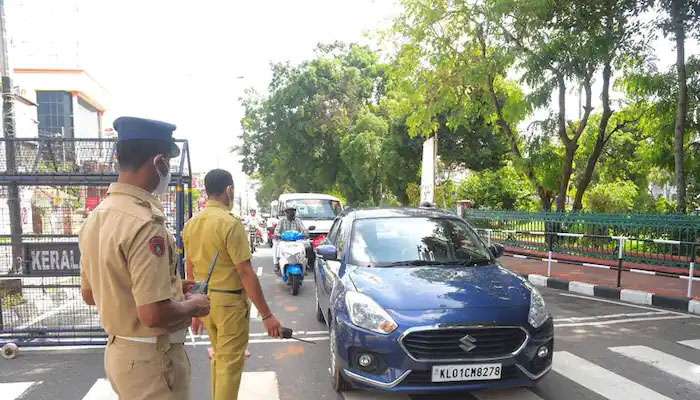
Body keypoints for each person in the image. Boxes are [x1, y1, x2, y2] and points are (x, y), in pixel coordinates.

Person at [79, 116, 210, 400]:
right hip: (153, 363)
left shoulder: (97, 217)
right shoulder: (145, 223)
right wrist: (194, 306)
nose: (168, 172)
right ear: (159, 162)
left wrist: (173, 288)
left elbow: (91, 294)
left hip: (120, 355)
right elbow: (153, 314)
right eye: (168, 165)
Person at [183, 169, 282, 400]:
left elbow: (191, 269)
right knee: (229, 366)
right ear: (229, 190)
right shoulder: (230, 224)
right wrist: (267, 315)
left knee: (219, 360)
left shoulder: (192, 224)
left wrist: (194, 310)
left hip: (205, 303)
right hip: (230, 306)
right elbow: (245, 272)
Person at [273, 206, 309, 274]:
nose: (291, 213)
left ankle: (305, 264)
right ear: (286, 213)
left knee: (306, 245)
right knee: (275, 245)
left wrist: (305, 233)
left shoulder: (298, 220)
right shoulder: (282, 221)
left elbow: (303, 229)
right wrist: (277, 235)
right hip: (284, 241)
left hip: (296, 241)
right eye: (289, 212)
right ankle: (276, 263)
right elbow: (276, 231)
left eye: (293, 211)